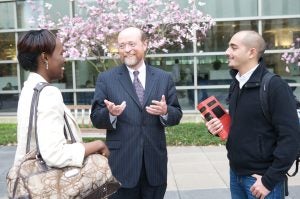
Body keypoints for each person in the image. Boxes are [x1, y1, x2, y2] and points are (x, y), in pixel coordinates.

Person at [205, 30, 300, 199]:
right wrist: (218, 127)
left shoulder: (275, 87)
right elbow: (243, 125)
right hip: (236, 174)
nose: (227, 52)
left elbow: (291, 138)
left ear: (251, 52)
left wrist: (268, 181)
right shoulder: (236, 84)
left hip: (261, 180)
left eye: (233, 47)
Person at [90, 27, 182, 199]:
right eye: (122, 45)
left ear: (145, 44)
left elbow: (176, 114)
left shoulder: (163, 78)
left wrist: (165, 111)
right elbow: (96, 117)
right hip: (121, 164)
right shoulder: (106, 79)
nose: (126, 50)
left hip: (154, 165)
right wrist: (110, 114)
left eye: (131, 44)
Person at [14, 29, 109, 171]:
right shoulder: (48, 93)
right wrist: (97, 144)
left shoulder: (30, 88)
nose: (64, 59)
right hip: (48, 186)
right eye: (61, 53)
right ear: (45, 58)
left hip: (30, 180)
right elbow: (54, 154)